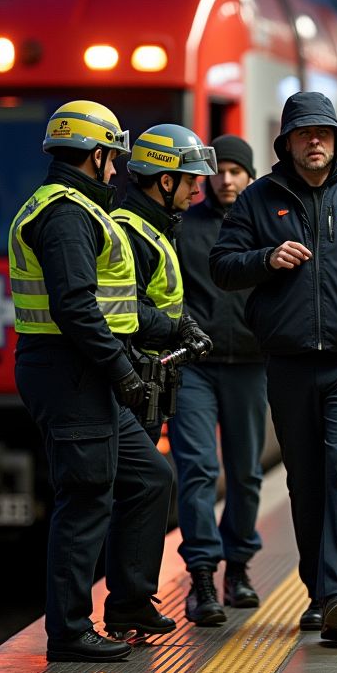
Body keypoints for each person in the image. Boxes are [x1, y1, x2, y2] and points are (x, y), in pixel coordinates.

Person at [209, 91, 337, 642]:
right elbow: (223, 267)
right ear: (287, 143)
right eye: (304, 134)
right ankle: (317, 591)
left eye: (324, 133)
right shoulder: (258, 200)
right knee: (305, 479)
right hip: (289, 362)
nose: (315, 141)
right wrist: (265, 259)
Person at [9, 101, 185, 663]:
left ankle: (129, 602)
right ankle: (69, 632)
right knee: (85, 497)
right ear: (99, 154)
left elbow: (110, 310)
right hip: (70, 372)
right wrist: (124, 372)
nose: (117, 167)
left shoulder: (80, 206)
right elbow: (76, 309)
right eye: (113, 155)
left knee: (149, 477)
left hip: (84, 370)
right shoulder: (65, 215)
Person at [170, 135, 268, 626]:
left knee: (247, 473)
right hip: (195, 368)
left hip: (251, 366)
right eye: (219, 171)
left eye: (236, 171)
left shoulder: (266, 225)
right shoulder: (184, 227)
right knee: (198, 470)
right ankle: (204, 575)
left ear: (250, 176)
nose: (227, 179)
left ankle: (240, 568)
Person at [111, 124, 215, 442]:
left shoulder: (156, 227)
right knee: (148, 482)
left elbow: (158, 300)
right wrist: (176, 328)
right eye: (190, 181)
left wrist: (188, 326)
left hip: (149, 381)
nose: (196, 191)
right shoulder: (130, 232)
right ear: (166, 181)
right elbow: (125, 310)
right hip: (131, 383)